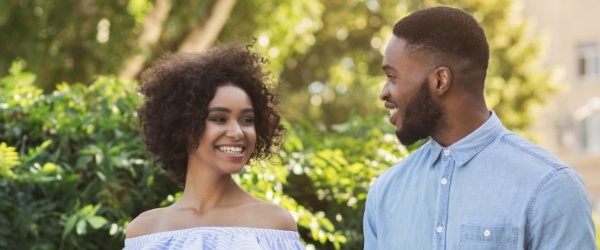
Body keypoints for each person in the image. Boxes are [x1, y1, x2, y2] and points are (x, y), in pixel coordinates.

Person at [363, 6, 597, 250]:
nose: (384, 93)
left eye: (392, 77)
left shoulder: (551, 187)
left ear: (440, 81)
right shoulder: (385, 192)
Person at [124, 43, 304, 249]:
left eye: (246, 120)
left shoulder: (273, 225)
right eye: (219, 119)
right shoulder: (146, 232)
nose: (237, 132)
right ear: (183, 125)